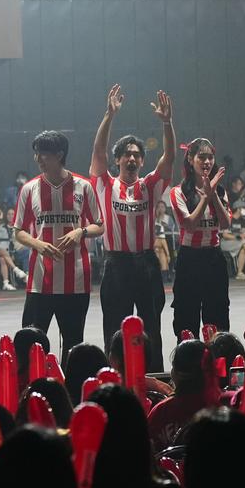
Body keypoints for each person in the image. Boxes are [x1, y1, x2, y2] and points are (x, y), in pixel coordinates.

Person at [89, 84, 176, 364]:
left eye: (137, 154)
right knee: (114, 327)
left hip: (146, 263)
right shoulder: (105, 184)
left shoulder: (150, 186)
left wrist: (167, 124)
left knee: (151, 327)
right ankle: (115, 377)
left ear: (141, 161)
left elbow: (169, 158)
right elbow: (98, 151)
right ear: (118, 160)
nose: (132, 157)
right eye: (126, 153)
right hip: (116, 265)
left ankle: (154, 376)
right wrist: (109, 116)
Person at [13, 130, 105, 353]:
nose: (38, 159)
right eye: (36, 154)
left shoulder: (83, 186)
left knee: (73, 345)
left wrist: (80, 232)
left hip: (76, 280)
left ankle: (70, 388)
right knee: (31, 344)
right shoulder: (29, 189)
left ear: (59, 154)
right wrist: (38, 244)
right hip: (40, 281)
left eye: (43, 154)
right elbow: (18, 231)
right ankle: (31, 386)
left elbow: (100, 225)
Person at [169, 136, 232, 340]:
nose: (206, 162)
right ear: (190, 159)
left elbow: (225, 223)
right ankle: (189, 366)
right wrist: (206, 196)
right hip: (189, 260)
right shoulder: (178, 192)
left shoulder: (219, 190)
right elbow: (189, 224)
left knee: (218, 317)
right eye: (201, 157)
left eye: (210, 157)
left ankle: (219, 364)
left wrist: (213, 194)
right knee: (186, 317)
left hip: (214, 259)